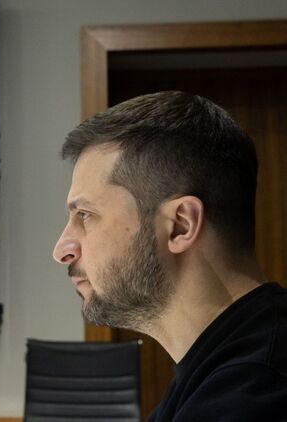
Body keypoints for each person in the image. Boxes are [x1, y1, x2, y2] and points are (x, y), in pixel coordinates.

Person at [52, 90, 287, 420]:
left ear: (180, 225)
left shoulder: (254, 394)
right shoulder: (216, 369)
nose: (61, 250)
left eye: (85, 215)